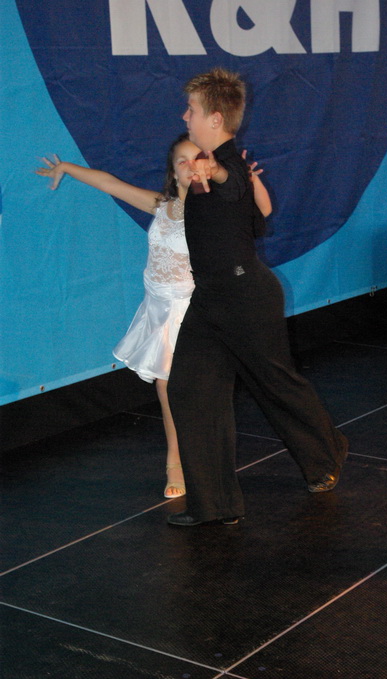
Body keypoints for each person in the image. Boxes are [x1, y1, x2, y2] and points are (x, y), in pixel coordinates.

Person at [35, 133, 271, 499]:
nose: (190, 166)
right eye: (182, 161)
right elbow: (110, 184)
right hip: (159, 308)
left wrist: (249, 180)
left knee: (178, 387)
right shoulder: (161, 205)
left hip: (191, 309)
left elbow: (263, 212)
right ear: (173, 172)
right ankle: (178, 460)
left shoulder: (215, 209)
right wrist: (66, 167)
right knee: (169, 387)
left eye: (197, 159)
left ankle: (188, 460)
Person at [166, 68, 349, 527]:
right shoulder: (210, 166)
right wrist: (207, 176)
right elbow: (251, 219)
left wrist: (218, 172)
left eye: (191, 109)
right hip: (212, 298)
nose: (185, 116)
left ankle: (326, 453)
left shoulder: (224, 165)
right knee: (191, 391)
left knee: (275, 384)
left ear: (215, 118)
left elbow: (228, 182)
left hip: (245, 296)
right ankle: (215, 505)